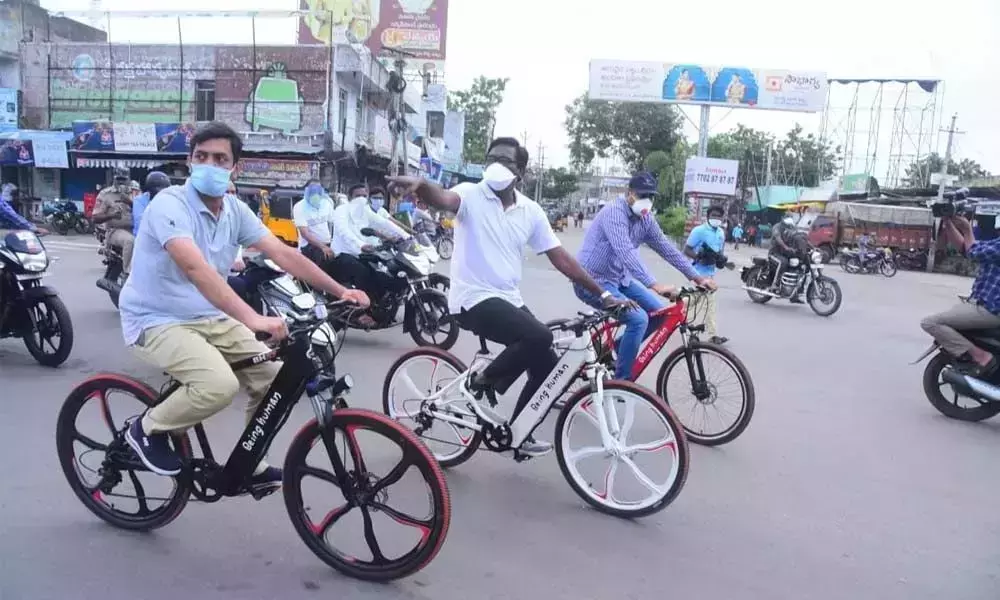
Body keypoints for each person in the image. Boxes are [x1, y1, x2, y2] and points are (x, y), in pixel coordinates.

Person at [119, 121, 369, 484]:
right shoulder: (168, 204)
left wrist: (340, 291)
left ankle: (248, 465)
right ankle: (147, 428)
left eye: (220, 158)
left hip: (209, 315)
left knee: (274, 381)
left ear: (235, 168)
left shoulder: (235, 210)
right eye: (201, 156)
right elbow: (195, 268)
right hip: (155, 319)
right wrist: (254, 319)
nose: (209, 164)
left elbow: (284, 254)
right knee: (217, 385)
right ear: (189, 161)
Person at [389, 137, 631, 457]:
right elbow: (443, 198)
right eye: (492, 160)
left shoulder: (530, 211)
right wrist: (422, 185)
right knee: (539, 335)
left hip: (508, 299)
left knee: (547, 364)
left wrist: (602, 293)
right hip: (471, 299)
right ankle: (481, 382)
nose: (496, 167)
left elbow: (561, 258)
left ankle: (518, 431)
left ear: (521, 172)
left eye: (505, 162)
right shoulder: (469, 194)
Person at [575, 171, 715, 380]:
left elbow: (666, 248)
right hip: (593, 281)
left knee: (660, 314)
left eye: (650, 196)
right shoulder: (615, 213)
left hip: (619, 280)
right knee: (639, 319)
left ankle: (612, 351)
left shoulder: (646, 219)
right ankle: (621, 382)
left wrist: (697, 277)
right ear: (629, 194)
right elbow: (626, 252)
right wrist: (654, 284)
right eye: (642, 196)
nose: (646, 201)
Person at [921, 216, 1000, 375]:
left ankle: (982, 357)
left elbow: (974, 252)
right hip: (982, 304)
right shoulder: (997, 243)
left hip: (992, 310)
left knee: (931, 323)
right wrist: (949, 223)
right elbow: (966, 248)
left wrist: (966, 228)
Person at [329, 183, 408, 327]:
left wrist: (406, 236)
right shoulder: (341, 210)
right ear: (349, 197)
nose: (361, 199)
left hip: (361, 254)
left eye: (364, 196)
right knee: (363, 273)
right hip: (342, 254)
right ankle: (362, 312)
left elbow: (384, 222)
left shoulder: (365, 211)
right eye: (357, 196)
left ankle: (380, 307)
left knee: (383, 273)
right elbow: (344, 232)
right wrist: (361, 245)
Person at [685, 205, 729, 344]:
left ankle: (677, 313)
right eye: (713, 216)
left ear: (722, 218)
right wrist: (699, 257)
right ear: (708, 217)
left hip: (710, 274)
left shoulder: (721, 233)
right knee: (707, 303)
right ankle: (710, 334)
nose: (716, 219)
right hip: (697, 273)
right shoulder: (699, 231)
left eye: (718, 216)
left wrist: (721, 260)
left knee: (695, 302)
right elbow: (687, 249)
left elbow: (719, 251)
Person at [92, 168, 136, 278]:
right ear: (114, 179)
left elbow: (145, 209)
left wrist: (130, 202)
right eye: (118, 179)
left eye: (124, 179)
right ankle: (128, 273)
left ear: (128, 179)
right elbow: (95, 218)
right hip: (116, 230)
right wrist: (111, 215)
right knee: (130, 241)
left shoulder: (135, 193)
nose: (121, 182)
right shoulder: (106, 194)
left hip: (136, 228)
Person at [293, 179, 336, 272]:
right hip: (310, 247)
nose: (315, 192)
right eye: (313, 189)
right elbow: (305, 233)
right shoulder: (299, 207)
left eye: (318, 189)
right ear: (306, 190)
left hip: (326, 244)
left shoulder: (326, 204)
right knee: (316, 274)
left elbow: (332, 224)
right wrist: (323, 247)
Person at [768, 215, 801, 302]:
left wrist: (811, 247)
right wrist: (786, 247)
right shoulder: (777, 227)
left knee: (799, 264)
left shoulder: (791, 227)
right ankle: (775, 284)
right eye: (787, 225)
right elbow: (778, 239)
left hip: (784, 253)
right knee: (783, 262)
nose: (788, 227)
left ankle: (794, 293)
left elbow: (799, 237)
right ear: (783, 221)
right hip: (774, 253)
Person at [132, 172, 172, 236]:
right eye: (160, 189)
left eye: (165, 189)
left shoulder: (168, 200)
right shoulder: (139, 200)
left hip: (164, 236)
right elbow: (140, 222)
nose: (162, 192)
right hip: (143, 236)